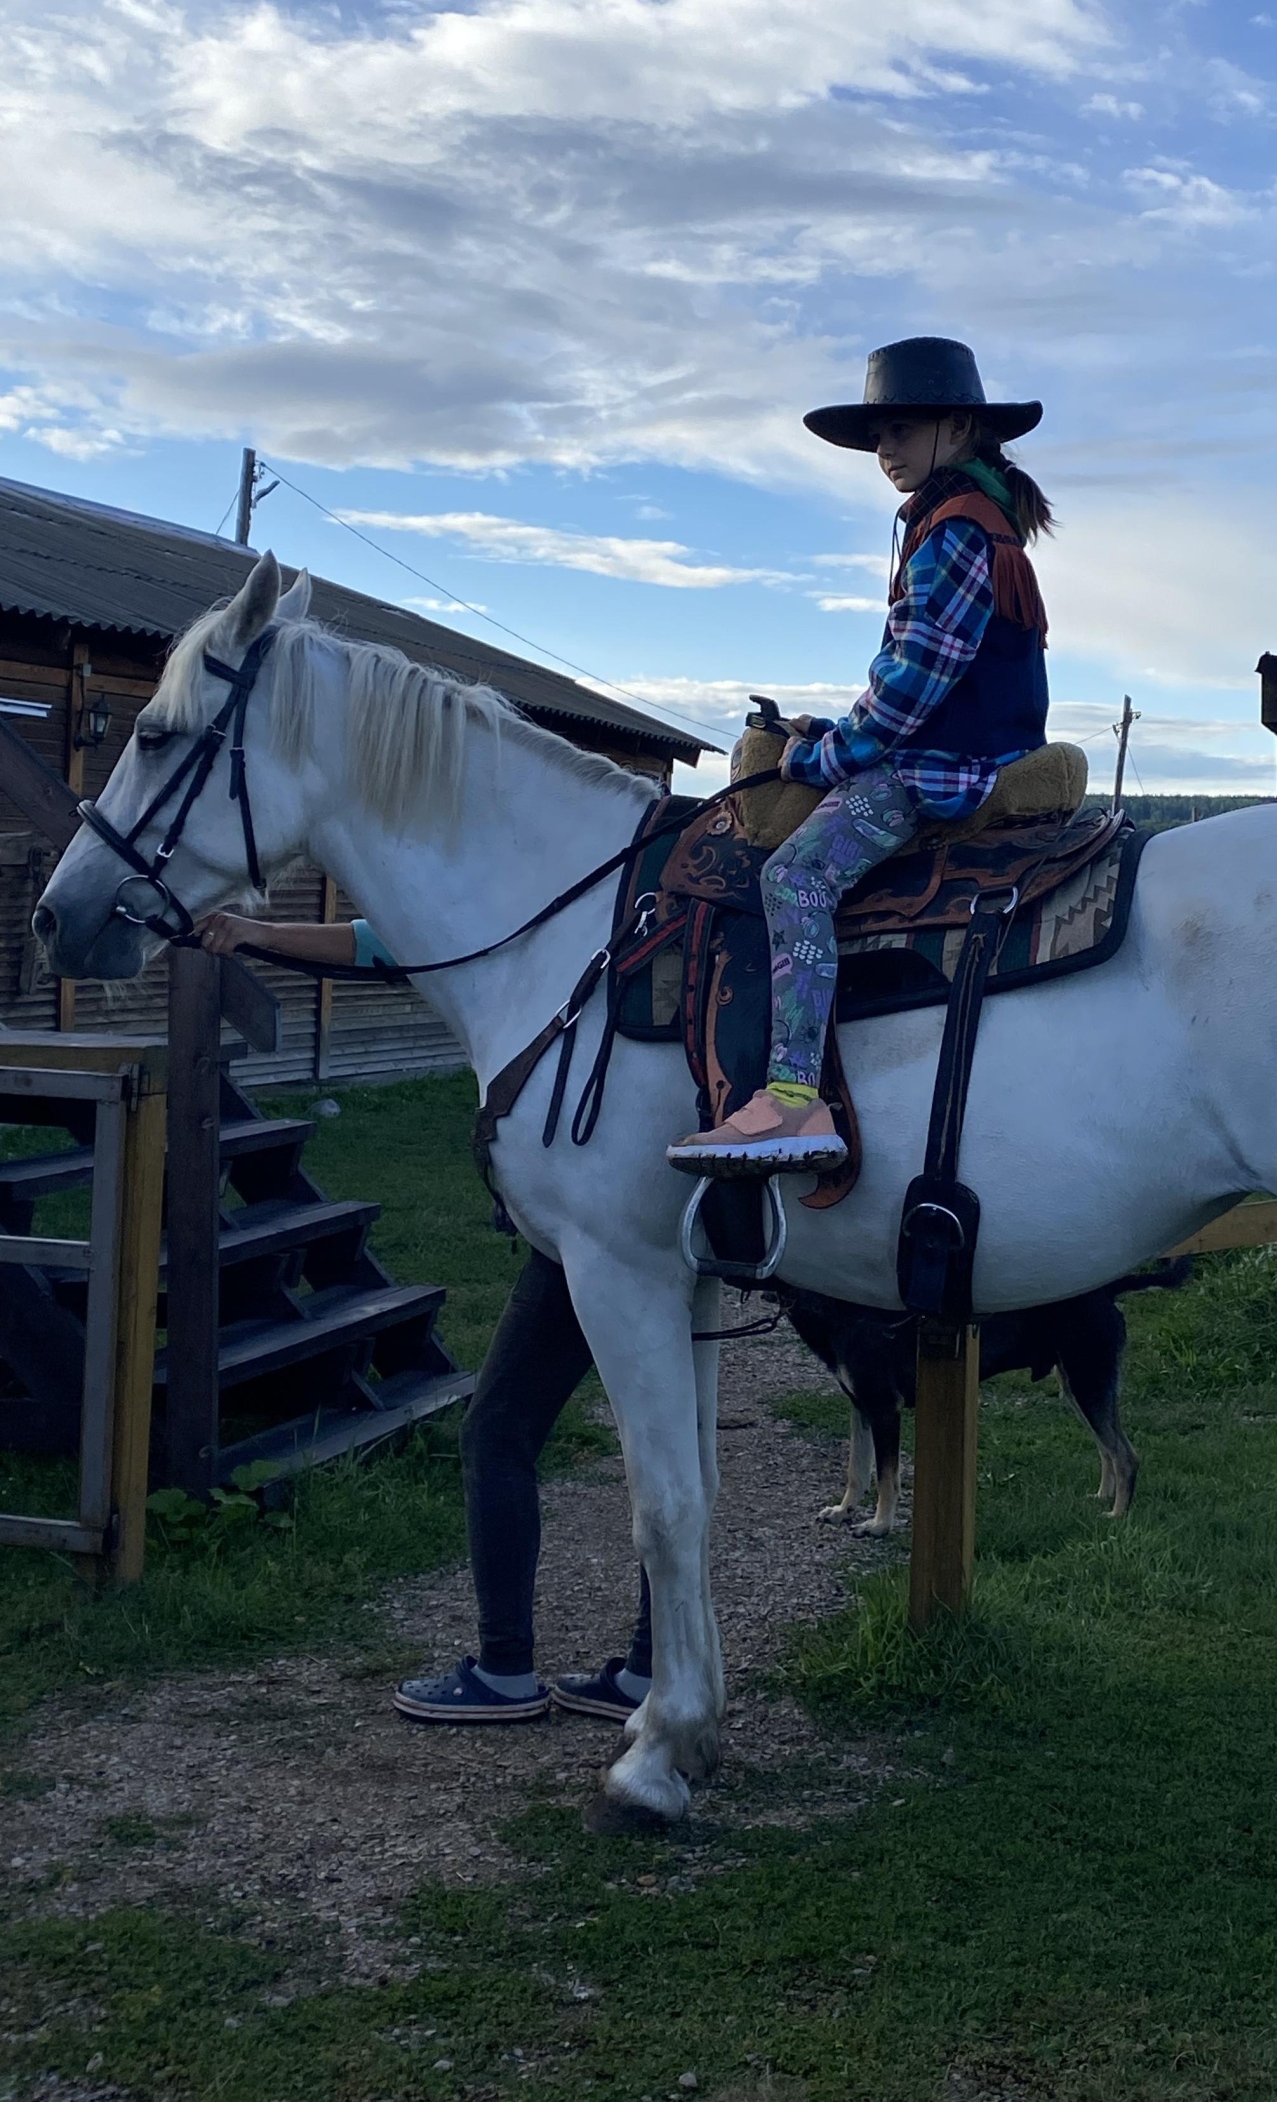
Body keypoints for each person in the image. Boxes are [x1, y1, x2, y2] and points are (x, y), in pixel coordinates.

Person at [198, 906, 654, 1725]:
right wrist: (253, 931)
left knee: (500, 1430)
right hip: (645, 1221)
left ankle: (507, 1668)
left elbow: (388, 943)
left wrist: (252, 931)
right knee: (657, 1438)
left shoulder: (524, 918)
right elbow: (380, 942)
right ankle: (654, 1667)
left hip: (590, 1229)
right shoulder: (589, 915)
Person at [669, 335, 1055, 1174]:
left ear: (959, 427)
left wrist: (816, 758)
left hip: (939, 771)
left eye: (902, 430)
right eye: (877, 435)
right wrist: (832, 730)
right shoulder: (977, 523)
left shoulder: (954, 533)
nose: (885, 450)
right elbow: (911, 679)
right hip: (962, 749)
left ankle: (794, 1101)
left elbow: (908, 694)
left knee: (794, 876)